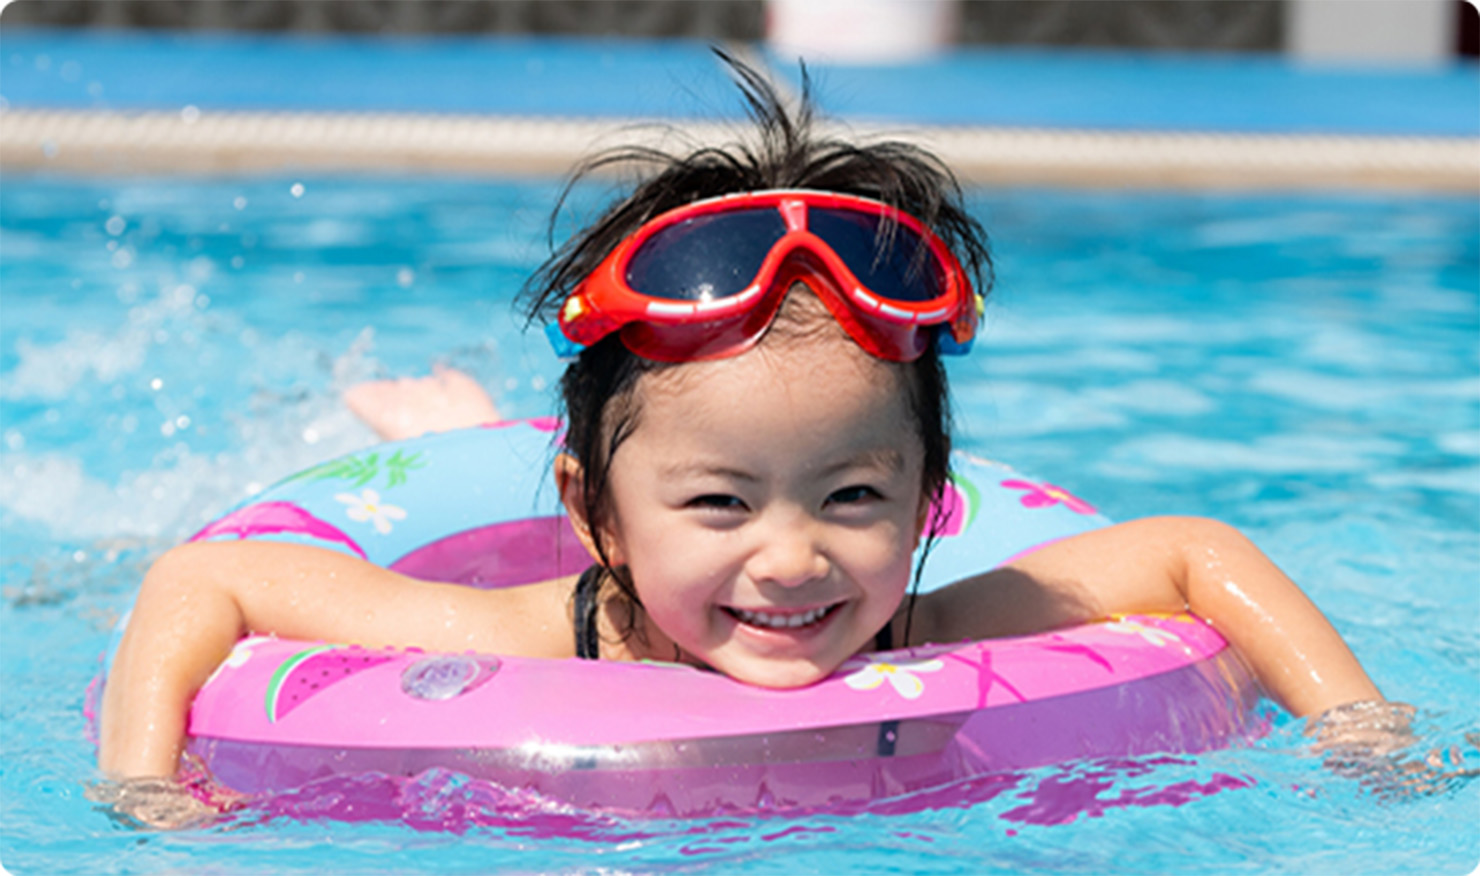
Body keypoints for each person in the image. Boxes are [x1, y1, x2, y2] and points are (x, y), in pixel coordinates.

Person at [97, 57, 1406, 817]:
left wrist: (1352, 720)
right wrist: (144, 789)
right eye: (721, 507)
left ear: (931, 499)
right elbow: (204, 578)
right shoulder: (501, 633)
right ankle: (457, 430)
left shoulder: (931, 624)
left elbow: (1192, 554)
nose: (792, 561)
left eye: (849, 497)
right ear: (596, 517)